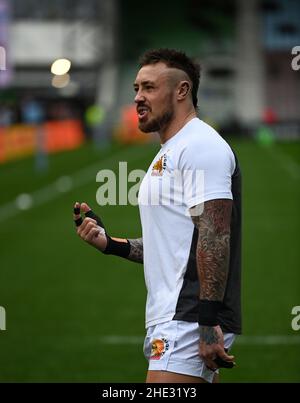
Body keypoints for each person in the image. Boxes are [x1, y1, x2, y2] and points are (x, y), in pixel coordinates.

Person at [73, 48, 242, 383]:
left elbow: (214, 235)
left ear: (181, 90)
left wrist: (206, 323)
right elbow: (174, 246)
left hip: (189, 320)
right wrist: (112, 245)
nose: (138, 97)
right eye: (136, 88)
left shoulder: (200, 146)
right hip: (179, 316)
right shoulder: (171, 150)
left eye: (148, 88)